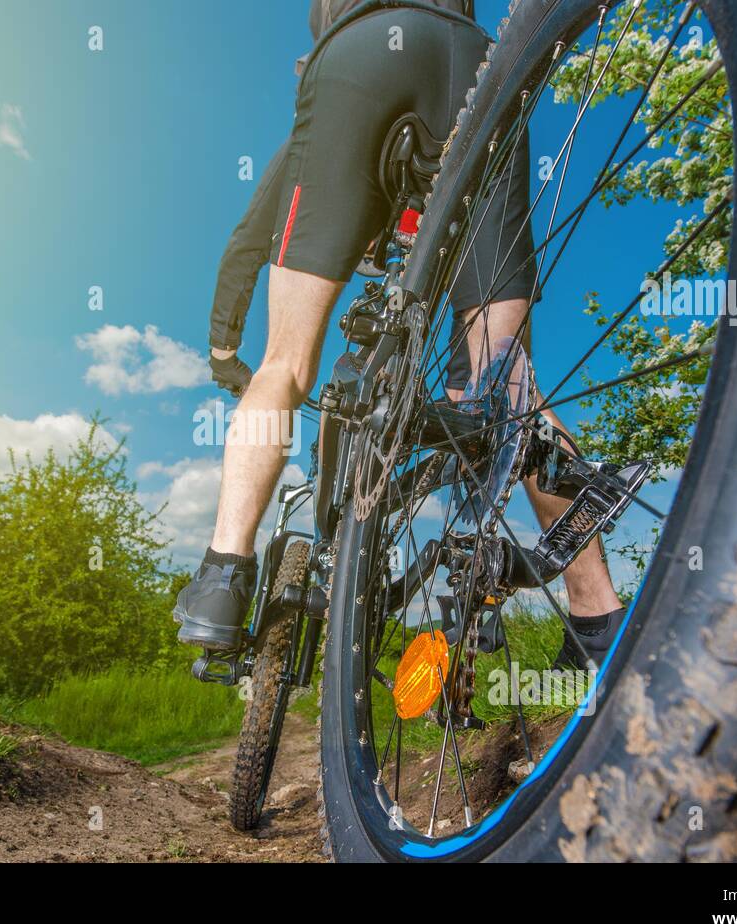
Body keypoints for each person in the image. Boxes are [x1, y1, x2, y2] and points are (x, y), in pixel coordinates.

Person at [174, 0, 626, 666]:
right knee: (507, 381)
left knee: (285, 366)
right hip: (480, 60)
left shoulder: (327, 64)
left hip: (357, 61)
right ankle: (598, 618)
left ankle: (223, 578)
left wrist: (224, 355)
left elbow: (247, 243)